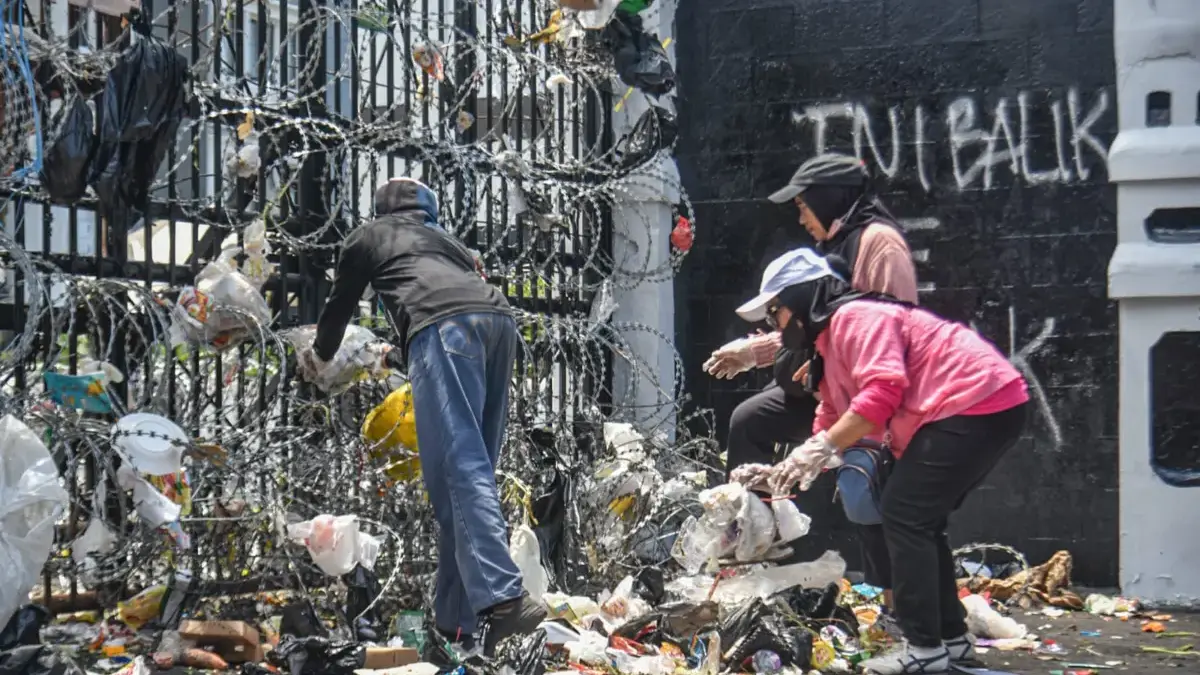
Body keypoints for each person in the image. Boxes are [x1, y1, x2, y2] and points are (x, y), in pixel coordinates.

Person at [730, 248, 1029, 675]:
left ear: (802, 300)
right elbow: (833, 417)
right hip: (980, 405)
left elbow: (881, 394)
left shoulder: (857, 319)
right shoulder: (829, 345)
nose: (773, 323)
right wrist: (785, 469)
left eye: (776, 310)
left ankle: (924, 651)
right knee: (918, 520)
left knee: (904, 516)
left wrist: (816, 450)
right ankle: (950, 642)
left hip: (974, 402)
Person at [300, 177, 546, 656]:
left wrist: (319, 359)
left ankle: (503, 596)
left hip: (445, 328)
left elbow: (338, 311)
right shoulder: (446, 243)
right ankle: (456, 628)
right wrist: (394, 355)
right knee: (472, 475)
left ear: (381, 208)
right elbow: (451, 292)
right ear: (428, 210)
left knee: (458, 470)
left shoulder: (369, 236)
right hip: (498, 326)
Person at [704, 152, 917, 602]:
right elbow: (803, 321)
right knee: (749, 420)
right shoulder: (830, 246)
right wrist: (756, 352)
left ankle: (897, 597)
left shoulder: (878, 245)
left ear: (828, 198)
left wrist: (823, 437)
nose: (802, 219)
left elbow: (889, 331)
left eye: (804, 206)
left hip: (874, 393)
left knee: (866, 482)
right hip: (828, 390)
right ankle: (757, 548)